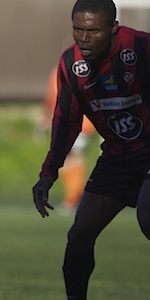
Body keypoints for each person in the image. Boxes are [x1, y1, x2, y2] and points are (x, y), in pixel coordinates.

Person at [32, 0, 150, 300]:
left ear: (114, 29)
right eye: (78, 30)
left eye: (93, 31)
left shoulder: (145, 47)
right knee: (79, 235)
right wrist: (48, 173)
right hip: (119, 157)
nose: (84, 39)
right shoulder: (70, 65)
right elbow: (66, 121)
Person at [37, 66, 96, 211]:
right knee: (69, 159)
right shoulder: (59, 72)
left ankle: (74, 198)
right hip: (69, 121)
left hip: (79, 122)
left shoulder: (59, 71)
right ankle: (74, 197)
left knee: (73, 157)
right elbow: (52, 97)